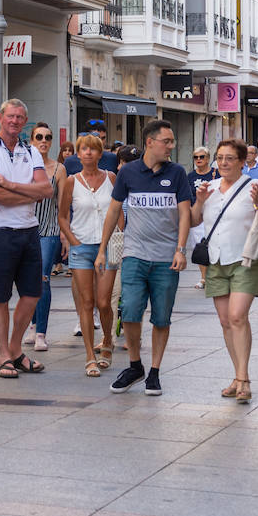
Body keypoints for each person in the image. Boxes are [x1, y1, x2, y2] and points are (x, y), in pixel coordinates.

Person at [96, 119, 192, 395]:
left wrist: (181, 249)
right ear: (150, 142)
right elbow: (114, 211)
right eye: (167, 141)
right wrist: (102, 249)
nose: (171, 146)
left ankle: (154, 372)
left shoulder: (176, 174)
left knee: (161, 318)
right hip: (134, 254)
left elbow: (184, 213)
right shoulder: (128, 174)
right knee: (131, 312)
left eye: (172, 141)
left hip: (166, 259)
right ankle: (135, 365)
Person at [0, 99, 54, 379]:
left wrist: (9, 184)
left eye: (20, 117)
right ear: (0, 117)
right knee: (0, 296)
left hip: (29, 229)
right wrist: (27, 191)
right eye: (11, 116)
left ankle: (16, 349)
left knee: (32, 294)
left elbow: (46, 190)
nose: (15, 121)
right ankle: (3, 355)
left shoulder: (30, 150)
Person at [193, 138, 258, 403]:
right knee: (226, 321)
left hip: (245, 259)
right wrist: (200, 201)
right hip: (216, 260)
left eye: (229, 158)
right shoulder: (209, 187)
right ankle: (237, 376)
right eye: (220, 158)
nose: (223, 163)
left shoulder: (254, 186)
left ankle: (244, 378)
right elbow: (194, 220)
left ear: (241, 162)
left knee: (237, 316)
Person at [58, 135, 116, 376]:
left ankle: (108, 340)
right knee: (86, 302)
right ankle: (90, 355)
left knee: (104, 302)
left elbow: (118, 209)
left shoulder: (111, 178)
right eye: (84, 149)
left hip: (108, 246)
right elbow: (62, 215)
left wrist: (119, 233)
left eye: (93, 149)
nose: (88, 153)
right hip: (82, 247)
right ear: (77, 154)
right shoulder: (72, 181)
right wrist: (73, 241)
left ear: (100, 153)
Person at [29, 123, 65, 353]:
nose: (44, 140)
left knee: (42, 278)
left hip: (49, 230)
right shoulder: (25, 166)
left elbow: (63, 205)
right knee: (27, 280)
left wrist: (65, 234)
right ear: (31, 140)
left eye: (48, 137)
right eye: (39, 136)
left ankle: (41, 332)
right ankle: (32, 323)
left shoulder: (58, 169)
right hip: (25, 228)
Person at [186, 147, 217, 290]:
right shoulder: (190, 177)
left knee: (215, 245)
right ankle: (204, 278)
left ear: (208, 158)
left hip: (214, 214)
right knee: (200, 246)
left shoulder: (215, 174)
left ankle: (215, 275)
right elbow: (187, 195)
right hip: (197, 214)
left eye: (202, 157)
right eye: (196, 157)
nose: (199, 160)